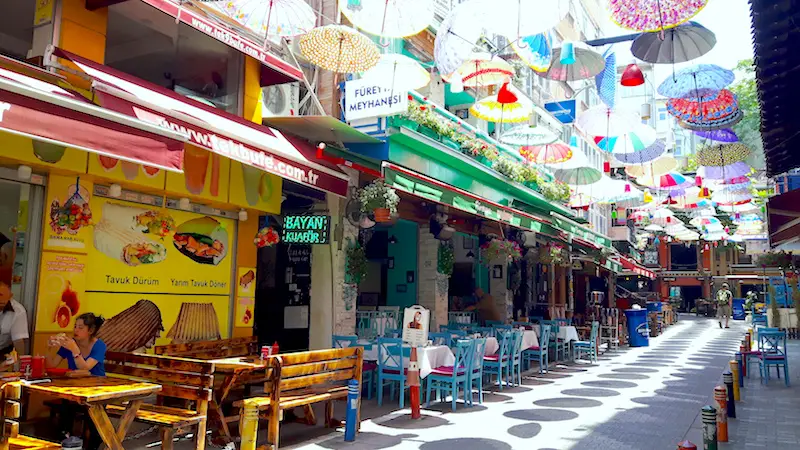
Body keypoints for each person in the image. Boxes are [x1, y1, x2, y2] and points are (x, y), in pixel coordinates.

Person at [46, 313, 106, 449]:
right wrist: (49, 348)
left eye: (80, 327)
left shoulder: (99, 346)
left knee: (93, 420)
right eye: (75, 327)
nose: (75, 331)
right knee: (66, 407)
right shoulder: (70, 344)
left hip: (96, 391)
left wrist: (74, 350)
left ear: (90, 331)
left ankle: (93, 444)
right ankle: (65, 441)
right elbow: (51, 365)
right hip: (74, 389)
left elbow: (85, 367)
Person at [0, 280, 29, 361]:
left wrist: (21, 363)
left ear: (10, 296)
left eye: (4, 296)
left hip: (2, 352)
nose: (1, 299)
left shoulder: (18, 311)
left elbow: (18, 340)